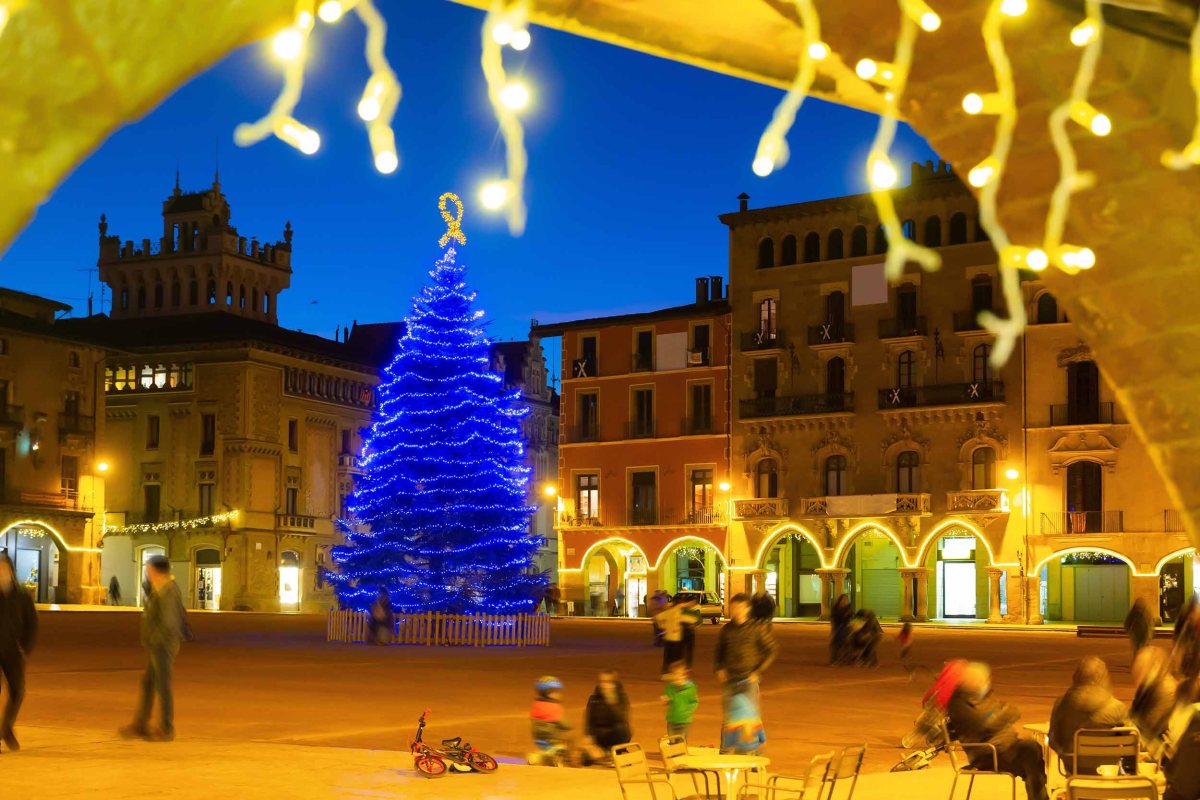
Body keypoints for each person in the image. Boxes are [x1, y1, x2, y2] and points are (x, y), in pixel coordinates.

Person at [946, 662, 1048, 800]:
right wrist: (1002, 714)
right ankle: (1040, 797)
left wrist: (999, 715)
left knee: (1033, 752)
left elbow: (1006, 712)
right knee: (1031, 754)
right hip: (987, 753)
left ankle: (1038, 795)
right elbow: (985, 726)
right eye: (982, 680)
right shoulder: (959, 704)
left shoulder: (983, 696)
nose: (986, 683)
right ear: (970, 681)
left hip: (1005, 746)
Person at [120, 554, 186, 742]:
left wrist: (156, 638)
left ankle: (166, 728)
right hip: (157, 645)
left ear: (155, 570)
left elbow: (169, 620)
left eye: (148, 569)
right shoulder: (160, 588)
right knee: (148, 684)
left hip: (162, 645)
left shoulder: (169, 590)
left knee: (162, 685)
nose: (147, 572)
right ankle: (141, 725)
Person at [715, 594, 777, 753]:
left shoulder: (756, 629)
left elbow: (771, 650)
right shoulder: (726, 630)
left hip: (748, 679)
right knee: (729, 718)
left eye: (741, 607)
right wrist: (719, 668)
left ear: (748, 608)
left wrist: (758, 671)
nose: (737, 611)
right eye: (734, 607)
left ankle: (755, 753)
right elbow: (719, 652)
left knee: (751, 717)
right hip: (730, 679)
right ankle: (725, 750)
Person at [1048, 656, 1128, 775]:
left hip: (1074, 768)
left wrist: (1065, 752)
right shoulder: (1116, 707)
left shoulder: (1061, 704)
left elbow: (1053, 740)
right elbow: (1131, 737)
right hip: (1108, 768)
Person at [0, 553, 37, 751]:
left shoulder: (21, 595)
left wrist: (25, 648)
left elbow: (32, 623)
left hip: (14, 652)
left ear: (11, 572)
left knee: (18, 692)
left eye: (4, 569)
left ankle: (5, 728)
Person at [1131, 646, 1179, 758]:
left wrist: (1128, 726)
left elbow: (1151, 726)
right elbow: (1133, 716)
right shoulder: (1147, 686)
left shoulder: (1167, 690)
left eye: (1140, 667)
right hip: (1145, 741)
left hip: (1158, 748)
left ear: (1155, 665)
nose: (1135, 671)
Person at [529, 674, 574, 765]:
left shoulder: (536, 705)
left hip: (538, 740)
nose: (559, 694)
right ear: (548, 693)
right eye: (556, 692)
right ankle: (566, 757)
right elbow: (565, 725)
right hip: (552, 740)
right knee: (571, 732)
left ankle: (540, 756)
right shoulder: (554, 707)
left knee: (545, 751)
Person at [585, 670, 632, 753]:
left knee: (620, 727)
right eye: (602, 682)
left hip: (616, 735)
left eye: (608, 682)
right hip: (600, 736)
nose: (604, 685)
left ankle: (619, 750)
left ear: (614, 684)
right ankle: (604, 751)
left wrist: (611, 701)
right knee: (586, 758)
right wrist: (588, 735)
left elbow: (621, 718)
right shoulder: (594, 699)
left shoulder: (621, 698)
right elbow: (589, 720)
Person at [663, 661, 699, 740]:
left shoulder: (690, 687)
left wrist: (687, 713)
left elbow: (694, 702)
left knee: (682, 741)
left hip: (684, 721)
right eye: (674, 675)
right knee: (672, 740)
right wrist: (666, 701)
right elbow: (669, 700)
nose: (677, 677)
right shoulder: (669, 687)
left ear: (684, 675)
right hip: (672, 719)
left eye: (679, 675)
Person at [830, 593, 853, 665]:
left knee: (846, 643)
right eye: (843, 599)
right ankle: (835, 660)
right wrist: (833, 630)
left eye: (846, 600)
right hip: (838, 627)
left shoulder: (848, 608)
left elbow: (851, 619)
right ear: (840, 600)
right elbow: (833, 619)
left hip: (845, 627)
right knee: (836, 644)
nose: (844, 601)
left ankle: (846, 659)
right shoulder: (835, 608)